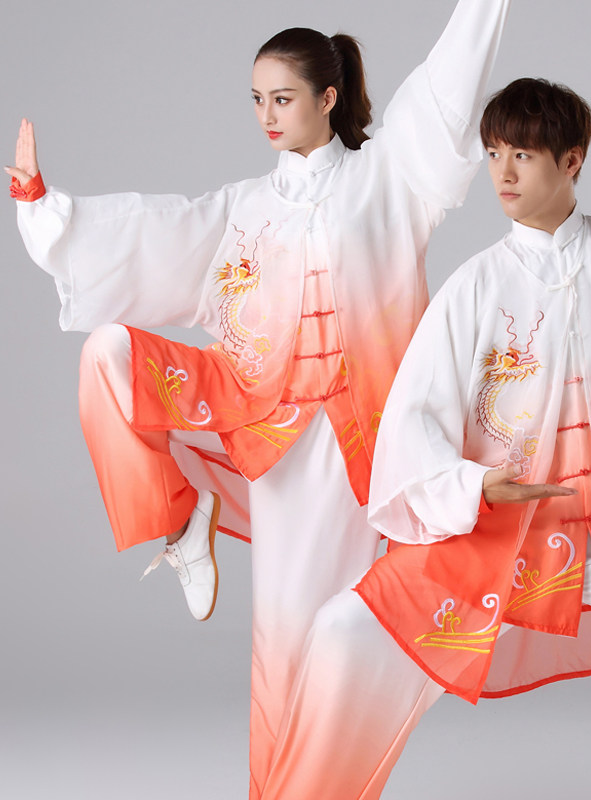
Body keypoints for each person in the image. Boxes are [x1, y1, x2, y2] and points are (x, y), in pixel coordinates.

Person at [255, 41, 591, 799]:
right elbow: (413, 422)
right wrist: (472, 486)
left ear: (572, 161)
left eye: (523, 154)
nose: (503, 173)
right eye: (493, 154)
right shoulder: (475, 288)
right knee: (345, 633)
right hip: (498, 543)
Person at [7, 1, 512, 796]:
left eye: (282, 98)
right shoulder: (245, 207)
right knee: (108, 355)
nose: (266, 115)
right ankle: (181, 519)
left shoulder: (389, 178)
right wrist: (44, 208)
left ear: (328, 98)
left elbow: (447, 87)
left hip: (359, 445)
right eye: (256, 99)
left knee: (326, 642)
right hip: (264, 426)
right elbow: (153, 232)